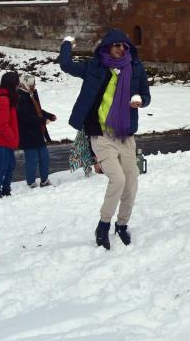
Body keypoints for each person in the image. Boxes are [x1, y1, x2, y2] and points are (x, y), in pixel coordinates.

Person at [59, 29, 151, 250]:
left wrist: (140, 100)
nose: (120, 48)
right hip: (100, 134)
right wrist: (66, 44)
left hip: (125, 134)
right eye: (116, 45)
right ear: (107, 47)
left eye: (124, 45)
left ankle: (122, 224)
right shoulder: (95, 67)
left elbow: (146, 95)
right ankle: (103, 225)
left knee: (131, 182)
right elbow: (66, 65)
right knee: (117, 180)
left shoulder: (135, 68)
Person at [17, 73, 57, 188]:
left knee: (44, 158)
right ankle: (31, 183)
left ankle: (44, 181)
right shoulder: (19, 97)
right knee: (32, 160)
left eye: (33, 84)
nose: (33, 87)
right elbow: (25, 116)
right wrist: (43, 120)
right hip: (27, 134)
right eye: (30, 85)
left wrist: (49, 115)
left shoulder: (32, 94)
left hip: (38, 132)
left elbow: (38, 110)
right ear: (23, 84)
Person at [0, 71, 21, 200]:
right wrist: (12, 136)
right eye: (17, 82)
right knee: (1, 166)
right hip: (1, 139)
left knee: (10, 164)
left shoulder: (7, 97)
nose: (19, 84)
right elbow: (1, 125)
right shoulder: (3, 99)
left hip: (5, 139)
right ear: (13, 84)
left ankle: (6, 189)